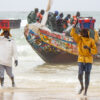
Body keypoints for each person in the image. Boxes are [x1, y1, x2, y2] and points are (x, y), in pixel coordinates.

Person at [70, 23, 97, 96]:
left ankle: (85, 91)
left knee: (87, 76)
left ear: (87, 33)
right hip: (81, 59)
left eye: (85, 32)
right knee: (79, 75)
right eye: (82, 32)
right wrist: (74, 26)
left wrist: (88, 48)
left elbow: (95, 51)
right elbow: (72, 34)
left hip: (89, 60)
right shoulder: (79, 39)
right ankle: (82, 87)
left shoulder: (91, 40)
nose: (83, 33)